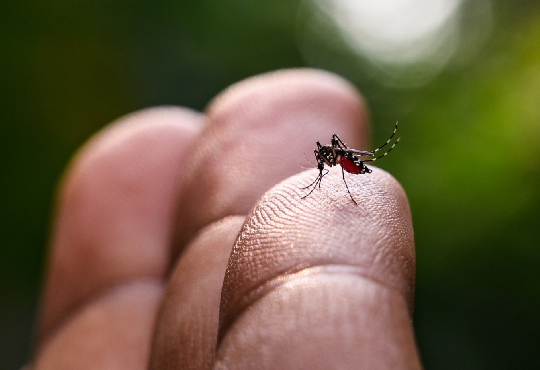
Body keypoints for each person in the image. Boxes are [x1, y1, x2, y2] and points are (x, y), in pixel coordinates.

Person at [31, 69, 422, 369]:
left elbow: (333, 160)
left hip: (352, 174)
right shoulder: (326, 159)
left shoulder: (335, 159)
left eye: (327, 156)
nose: (324, 157)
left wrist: (343, 167)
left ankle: (375, 153)